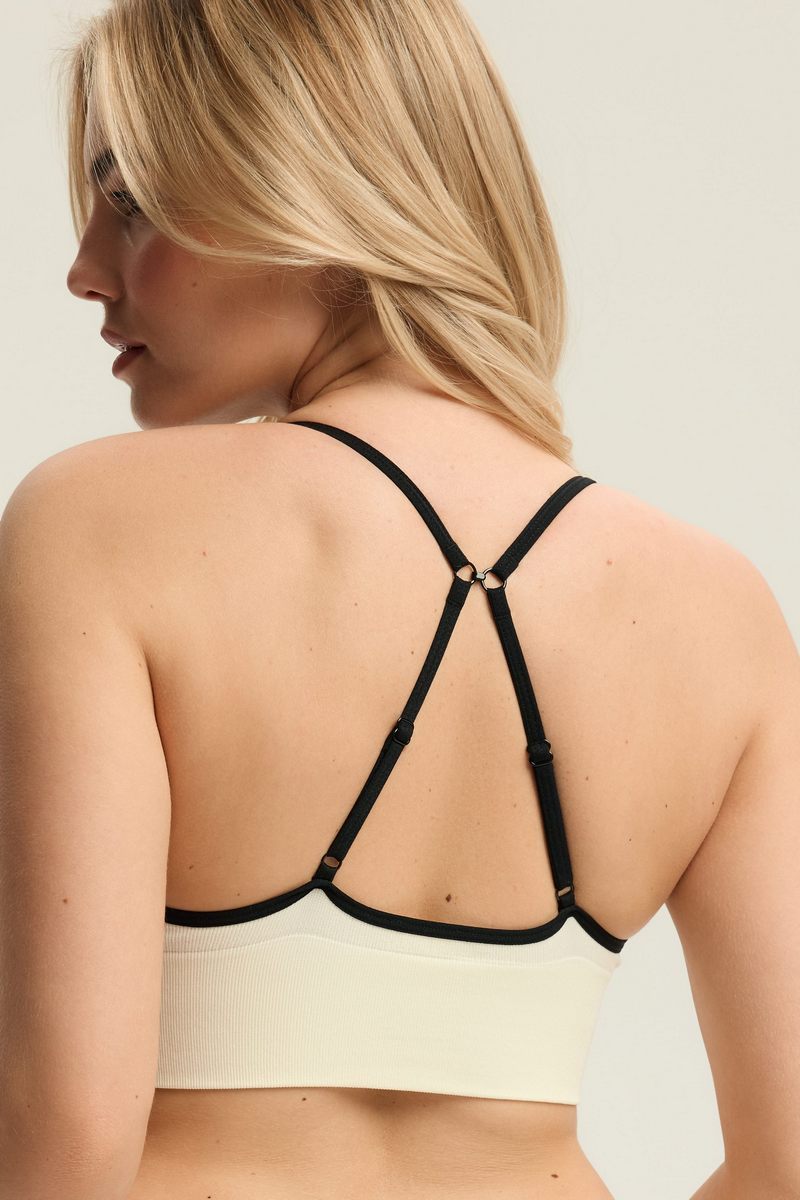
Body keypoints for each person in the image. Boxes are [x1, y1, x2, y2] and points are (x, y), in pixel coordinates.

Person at [1, 1, 797, 1198]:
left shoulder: (97, 526)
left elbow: (67, 1140)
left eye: (133, 203)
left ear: (305, 185)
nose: (84, 270)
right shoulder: (716, 611)